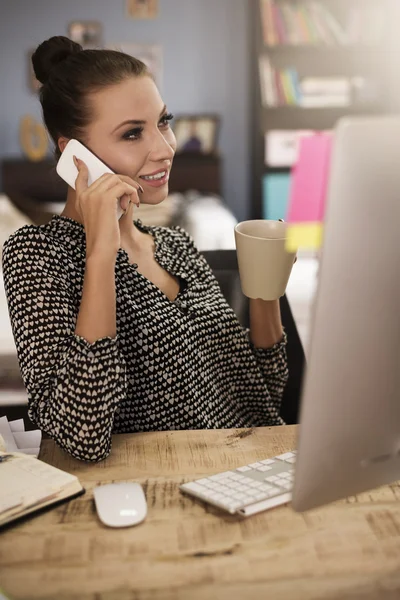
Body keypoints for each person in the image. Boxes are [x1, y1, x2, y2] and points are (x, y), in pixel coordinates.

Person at [2, 36, 289, 463]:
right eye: (133, 133)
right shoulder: (36, 255)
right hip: (150, 494)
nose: (165, 148)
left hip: (248, 471)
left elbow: (262, 397)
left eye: (163, 122)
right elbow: (82, 435)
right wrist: (101, 253)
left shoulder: (177, 246)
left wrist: (266, 291)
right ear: (75, 155)